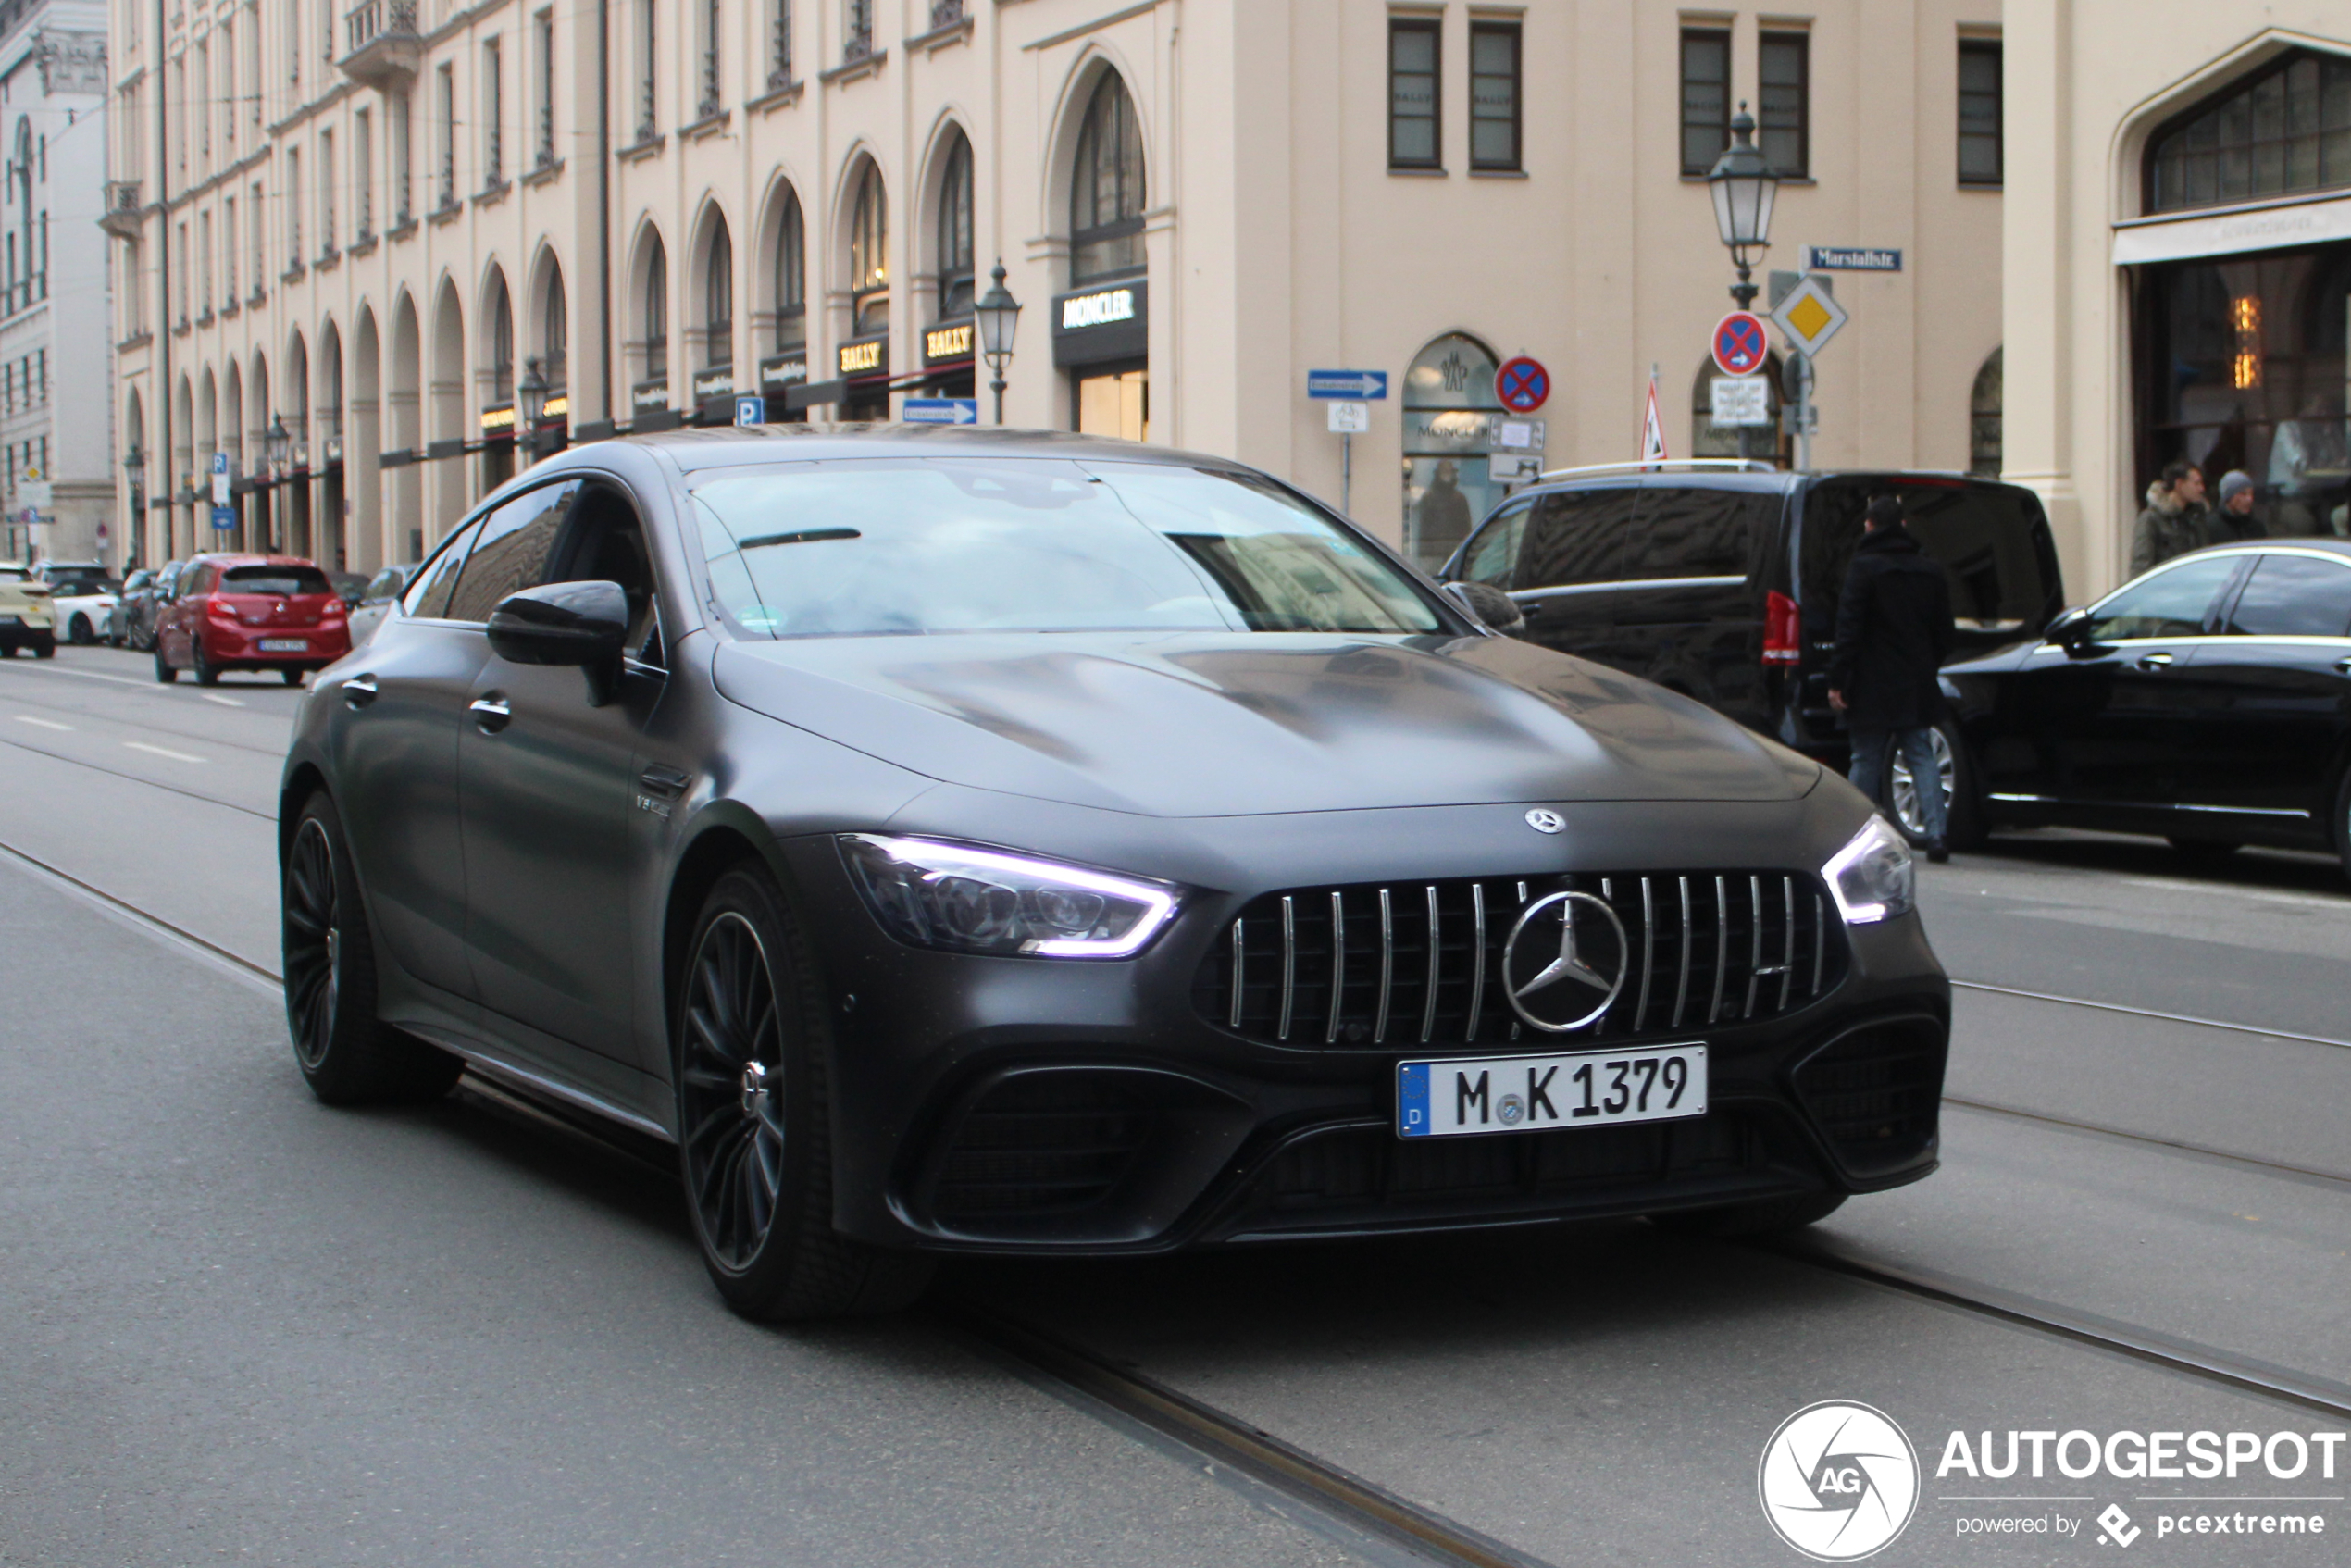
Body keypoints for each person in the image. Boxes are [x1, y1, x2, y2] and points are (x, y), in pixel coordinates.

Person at [1829, 496, 1957, 862]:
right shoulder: (1928, 570)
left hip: (1871, 682)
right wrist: (1927, 664)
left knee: (1866, 757)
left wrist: (1838, 679)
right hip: (1915, 681)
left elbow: (1849, 629)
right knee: (1920, 754)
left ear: (1869, 526)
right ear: (1902, 526)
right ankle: (1937, 835)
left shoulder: (1864, 569)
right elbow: (1944, 633)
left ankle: (1852, 834)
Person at [2130, 460, 2214, 575]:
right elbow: (2141, 563)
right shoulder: (2151, 519)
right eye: (2196, 483)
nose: (2201, 489)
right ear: (2179, 484)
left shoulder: (2197, 517)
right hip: (2165, 588)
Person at [1413, 459, 1474, 564]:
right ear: (1438, 474)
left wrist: (1466, 551)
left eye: (1449, 472)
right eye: (1444, 472)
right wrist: (1423, 554)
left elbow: (1466, 527)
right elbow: (1424, 527)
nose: (1446, 475)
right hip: (1433, 553)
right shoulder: (1429, 497)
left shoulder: (1459, 499)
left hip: (1455, 552)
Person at [2214, 469, 2264, 541]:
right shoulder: (2212, 528)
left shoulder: (2257, 528)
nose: (2249, 499)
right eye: (2243, 494)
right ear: (2229, 498)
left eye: (2251, 494)